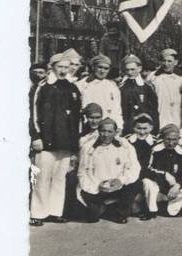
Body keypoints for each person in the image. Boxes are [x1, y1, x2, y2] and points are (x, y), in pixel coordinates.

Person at [29, 53, 82, 226]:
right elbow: (33, 113)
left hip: (65, 141)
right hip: (46, 140)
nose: (63, 70)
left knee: (60, 178)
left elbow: (76, 117)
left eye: (66, 67)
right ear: (52, 67)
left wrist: (75, 141)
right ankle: (38, 213)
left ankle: (54, 211)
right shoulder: (43, 87)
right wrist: (36, 136)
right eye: (60, 67)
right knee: (42, 177)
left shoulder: (72, 88)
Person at [76, 117, 141, 224]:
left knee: (134, 183)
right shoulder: (87, 147)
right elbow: (82, 172)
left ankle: (121, 213)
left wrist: (120, 180)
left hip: (118, 186)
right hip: (97, 187)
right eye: (103, 131)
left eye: (110, 131)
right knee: (93, 216)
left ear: (116, 132)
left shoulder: (125, 145)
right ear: (98, 131)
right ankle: (105, 208)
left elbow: (134, 168)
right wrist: (97, 185)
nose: (106, 135)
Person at [142, 124, 182, 218]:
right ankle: (152, 210)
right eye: (168, 139)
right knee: (147, 182)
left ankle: (170, 207)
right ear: (163, 138)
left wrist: (177, 185)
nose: (171, 143)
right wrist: (164, 175)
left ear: (178, 139)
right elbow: (146, 170)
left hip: (173, 189)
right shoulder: (155, 150)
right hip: (158, 187)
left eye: (174, 139)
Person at [79, 54, 123, 129]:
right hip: (88, 126)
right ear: (93, 67)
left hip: (107, 127)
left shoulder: (112, 86)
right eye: (100, 67)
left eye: (106, 69)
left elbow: (117, 109)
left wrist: (119, 126)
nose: (102, 71)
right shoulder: (81, 85)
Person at [125, 113, 157, 216]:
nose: (142, 132)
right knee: (134, 208)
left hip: (148, 173)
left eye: (145, 128)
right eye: (139, 128)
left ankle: (149, 209)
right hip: (131, 173)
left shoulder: (155, 141)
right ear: (133, 127)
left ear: (151, 127)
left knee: (149, 186)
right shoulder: (127, 141)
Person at [119, 54, 159, 134]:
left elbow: (154, 110)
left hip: (143, 126)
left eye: (132, 69)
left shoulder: (147, 86)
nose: (130, 72)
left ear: (139, 68)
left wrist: (155, 129)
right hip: (126, 124)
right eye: (127, 70)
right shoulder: (121, 86)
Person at [148, 48, 182, 129]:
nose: (166, 64)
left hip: (176, 112)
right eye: (164, 61)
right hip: (160, 111)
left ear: (176, 62)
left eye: (169, 61)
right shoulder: (153, 76)